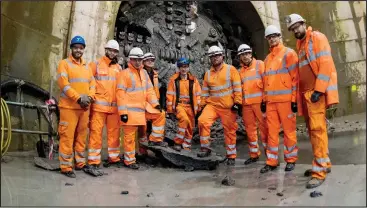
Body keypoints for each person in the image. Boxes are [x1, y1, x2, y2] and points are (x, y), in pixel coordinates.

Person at [286, 14, 339, 188]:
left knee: (317, 130)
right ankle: (324, 162)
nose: (295, 31)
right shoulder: (301, 44)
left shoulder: (316, 38)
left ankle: (319, 171)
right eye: (292, 29)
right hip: (307, 95)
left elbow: (325, 64)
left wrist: (319, 89)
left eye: (296, 27)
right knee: (313, 130)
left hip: (315, 93)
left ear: (303, 23)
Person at [116, 47, 167, 169]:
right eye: (135, 59)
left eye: (139, 60)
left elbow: (149, 90)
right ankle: (129, 161)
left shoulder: (144, 73)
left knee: (160, 114)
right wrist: (123, 112)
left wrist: (155, 104)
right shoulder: (124, 74)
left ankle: (155, 139)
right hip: (130, 112)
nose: (137, 62)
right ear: (130, 60)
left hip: (143, 109)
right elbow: (120, 94)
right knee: (129, 138)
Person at [261, 25, 299, 173]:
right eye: (269, 38)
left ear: (279, 36)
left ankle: (291, 159)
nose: (272, 39)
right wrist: (264, 100)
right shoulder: (267, 59)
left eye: (274, 36)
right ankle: (272, 161)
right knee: (272, 132)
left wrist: (294, 100)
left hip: (285, 101)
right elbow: (266, 82)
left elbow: (295, 79)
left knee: (289, 131)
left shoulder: (289, 54)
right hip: (271, 103)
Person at [56, 35, 95, 178]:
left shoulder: (87, 67)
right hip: (69, 108)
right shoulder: (64, 64)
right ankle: (66, 167)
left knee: (81, 137)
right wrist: (78, 98)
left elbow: (93, 84)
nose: (78, 50)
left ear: (83, 50)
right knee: (67, 137)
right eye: (76, 47)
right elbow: (63, 85)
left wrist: (90, 97)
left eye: (81, 48)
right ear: (71, 48)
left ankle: (80, 163)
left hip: (84, 108)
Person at [197, 45, 242, 166]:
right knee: (202, 121)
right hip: (213, 105)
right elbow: (205, 92)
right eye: (212, 56)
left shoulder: (231, 70)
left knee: (230, 131)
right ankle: (205, 149)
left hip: (228, 106)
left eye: (217, 55)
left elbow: (237, 87)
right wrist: (201, 106)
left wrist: (237, 102)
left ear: (222, 56)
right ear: (210, 59)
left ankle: (231, 155)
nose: (215, 58)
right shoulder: (208, 74)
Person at [87, 40, 122, 175]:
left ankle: (114, 158)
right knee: (96, 134)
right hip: (99, 108)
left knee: (114, 135)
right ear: (106, 50)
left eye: (115, 51)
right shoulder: (95, 65)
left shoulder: (118, 68)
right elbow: (88, 82)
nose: (112, 53)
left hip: (114, 109)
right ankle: (93, 161)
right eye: (111, 50)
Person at [237, 44, 268, 165]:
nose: (245, 57)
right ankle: (254, 154)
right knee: (250, 131)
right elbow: (239, 89)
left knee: (265, 130)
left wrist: (265, 101)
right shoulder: (240, 72)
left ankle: (270, 156)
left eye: (246, 54)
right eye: (242, 55)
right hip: (246, 106)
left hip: (260, 104)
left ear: (251, 53)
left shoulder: (260, 65)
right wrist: (239, 104)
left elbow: (267, 83)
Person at [166, 57, 201, 151]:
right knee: (184, 120)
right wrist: (170, 111)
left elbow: (198, 95)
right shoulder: (173, 80)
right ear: (178, 68)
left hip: (191, 106)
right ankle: (178, 142)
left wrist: (198, 109)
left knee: (190, 127)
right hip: (180, 105)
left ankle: (186, 145)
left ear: (188, 68)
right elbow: (169, 96)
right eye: (181, 67)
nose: (183, 69)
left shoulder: (193, 80)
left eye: (185, 67)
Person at [137, 52, 160, 156]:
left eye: (152, 60)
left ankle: (153, 142)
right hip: (142, 104)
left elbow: (154, 90)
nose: (150, 62)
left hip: (153, 103)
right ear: (143, 61)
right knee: (142, 128)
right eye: (148, 60)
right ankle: (142, 152)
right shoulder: (140, 72)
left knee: (149, 128)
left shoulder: (155, 74)